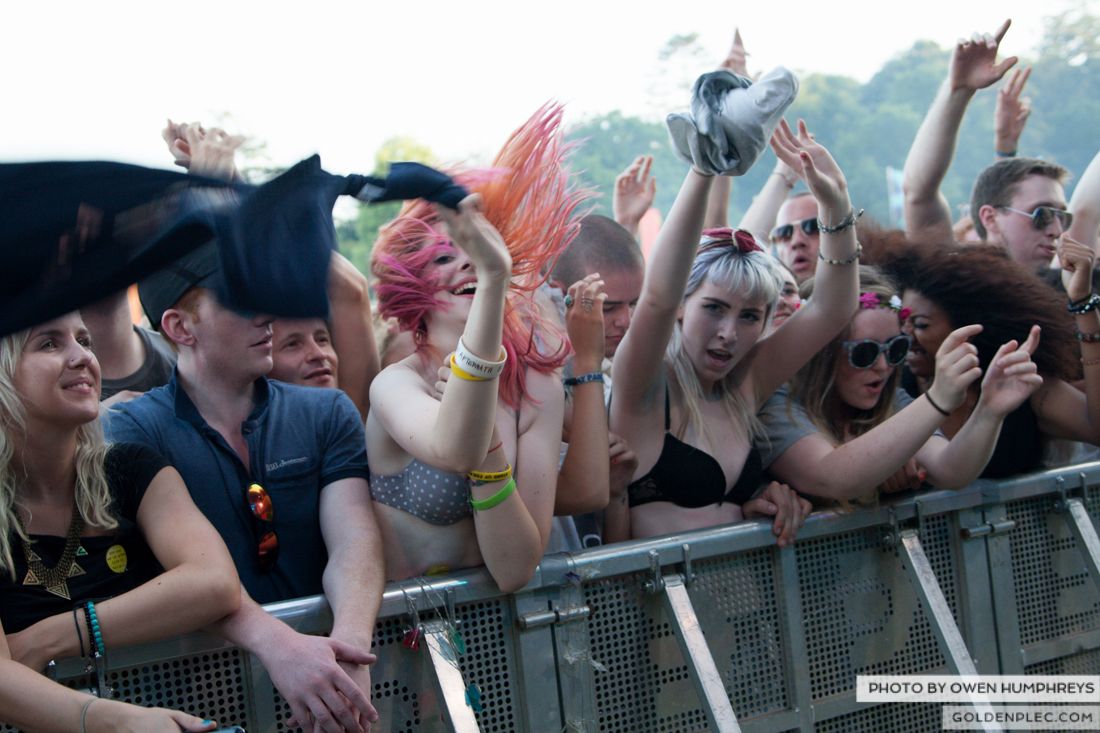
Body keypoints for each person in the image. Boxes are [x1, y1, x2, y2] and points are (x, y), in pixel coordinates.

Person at [106, 242, 384, 732]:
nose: (265, 314)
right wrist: (280, 647)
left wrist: (349, 657)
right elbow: (181, 571)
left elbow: (354, 539)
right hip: (196, 699)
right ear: (179, 327)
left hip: (331, 695)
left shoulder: (327, 411)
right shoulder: (132, 428)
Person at [606, 119, 859, 543]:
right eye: (714, 308)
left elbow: (832, 310)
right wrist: (702, 169)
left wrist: (836, 205)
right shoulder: (647, 385)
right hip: (664, 606)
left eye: (749, 317)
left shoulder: (744, 383)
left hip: (753, 605)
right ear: (683, 306)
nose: (728, 332)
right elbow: (656, 299)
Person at [367, 105, 585, 590]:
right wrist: (491, 278)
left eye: (476, 249)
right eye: (444, 256)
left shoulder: (537, 389)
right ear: (412, 283)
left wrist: (489, 453)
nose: (466, 264)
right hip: (409, 642)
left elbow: (515, 569)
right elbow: (451, 446)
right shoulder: (396, 384)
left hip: (502, 639)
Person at [1, 312, 240, 731]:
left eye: (83, 340)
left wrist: (56, 635)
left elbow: (215, 583)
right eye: (49, 343)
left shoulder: (130, 469)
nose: (82, 357)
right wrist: (119, 724)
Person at [758, 269, 1042, 503]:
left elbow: (950, 470)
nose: (883, 366)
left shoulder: (891, 399)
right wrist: (937, 400)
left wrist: (989, 410)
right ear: (819, 350)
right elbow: (832, 476)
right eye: (864, 352)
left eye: (895, 348)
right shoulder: (775, 401)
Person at [882, 240, 1100, 478]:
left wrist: (1082, 302)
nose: (907, 336)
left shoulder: (1020, 384)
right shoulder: (891, 387)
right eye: (903, 321)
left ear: (971, 329)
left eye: (921, 325)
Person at [901, 18, 1075, 272]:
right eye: (1042, 215)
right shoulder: (961, 283)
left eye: (1063, 217)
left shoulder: (1075, 292)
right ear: (990, 218)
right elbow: (919, 193)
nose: (1056, 230)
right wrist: (958, 91)